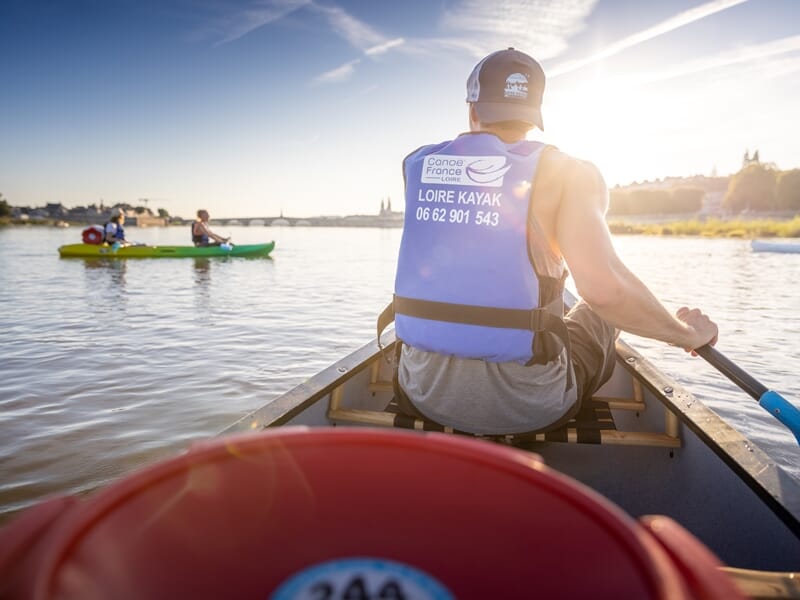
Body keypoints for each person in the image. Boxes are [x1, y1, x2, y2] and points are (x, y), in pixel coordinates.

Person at [386, 48, 718, 436]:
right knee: (601, 308)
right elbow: (606, 292)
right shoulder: (570, 173)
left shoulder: (419, 165)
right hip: (530, 406)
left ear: (472, 110)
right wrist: (684, 334)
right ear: (534, 117)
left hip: (421, 391)